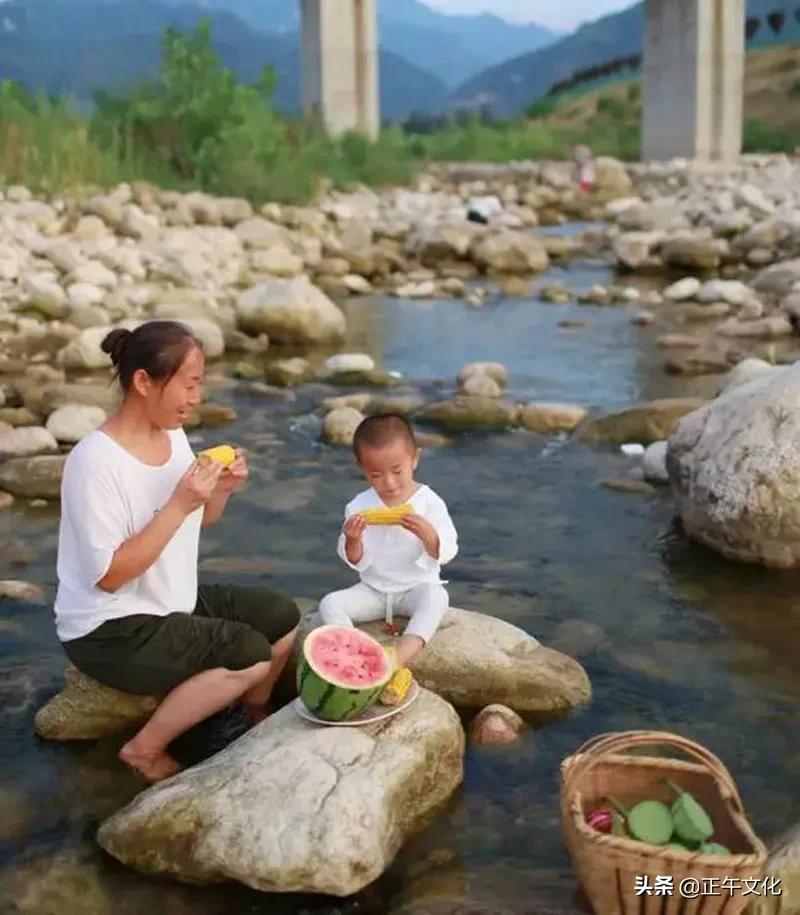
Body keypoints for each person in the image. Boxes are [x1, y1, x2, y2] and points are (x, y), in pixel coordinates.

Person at [53, 320, 299, 783]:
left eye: (199, 383)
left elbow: (197, 521)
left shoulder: (173, 435)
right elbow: (110, 575)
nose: (197, 397)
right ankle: (143, 750)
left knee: (281, 617)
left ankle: (252, 714)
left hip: (169, 601)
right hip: (109, 628)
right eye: (188, 384)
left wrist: (220, 491)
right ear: (143, 382)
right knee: (250, 653)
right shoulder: (95, 462)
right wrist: (180, 503)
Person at [318, 414, 457, 668]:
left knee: (437, 598)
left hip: (416, 588)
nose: (389, 483)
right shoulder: (358, 506)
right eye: (376, 475)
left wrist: (429, 535)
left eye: (397, 471)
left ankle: (397, 657)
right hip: (373, 591)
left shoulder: (429, 502)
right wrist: (353, 540)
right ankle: (355, 654)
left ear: (415, 459)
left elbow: (448, 549)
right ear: (362, 469)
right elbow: (354, 559)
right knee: (330, 603)